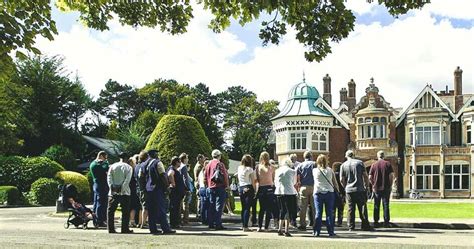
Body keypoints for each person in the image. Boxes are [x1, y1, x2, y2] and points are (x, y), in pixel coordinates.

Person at [340, 150, 373, 231]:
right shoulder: (359, 163)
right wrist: (367, 186)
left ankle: (351, 226)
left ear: (346, 156)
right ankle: (365, 225)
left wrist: (345, 187)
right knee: (362, 207)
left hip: (349, 189)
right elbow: (365, 175)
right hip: (360, 188)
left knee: (350, 209)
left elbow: (341, 179)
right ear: (353, 155)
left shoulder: (343, 165)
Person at [146, 150, 175, 234]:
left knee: (151, 210)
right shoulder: (158, 163)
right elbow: (162, 175)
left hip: (149, 189)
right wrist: (167, 186)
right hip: (157, 189)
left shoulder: (146, 164)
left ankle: (152, 228)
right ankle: (165, 228)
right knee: (161, 209)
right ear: (155, 155)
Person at [107, 152, 134, 234]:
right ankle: (124, 228)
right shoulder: (128, 167)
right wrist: (122, 189)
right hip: (125, 192)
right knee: (125, 211)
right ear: (126, 158)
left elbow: (109, 177)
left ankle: (110, 229)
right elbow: (127, 180)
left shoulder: (112, 166)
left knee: (110, 211)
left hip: (112, 192)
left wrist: (111, 187)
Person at [312, 154, 339, 237]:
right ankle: (330, 231)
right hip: (329, 193)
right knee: (329, 213)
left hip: (318, 192)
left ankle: (317, 231)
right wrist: (338, 191)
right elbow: (334, 182)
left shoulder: (315, 171)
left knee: (318, 213)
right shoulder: (330, 170)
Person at [204, 149, 229, 230]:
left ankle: (211, 223)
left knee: (211, 205)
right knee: (219, 205)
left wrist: (207, 185)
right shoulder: (220, 164)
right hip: (219, 186)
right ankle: (218, 223)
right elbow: (224, 175)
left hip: (210, 187)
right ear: (219, 156)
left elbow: (205, 176)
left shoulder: (208, 164)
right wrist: (227, 185)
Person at [369, 150, 394, 228]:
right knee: (386, 205)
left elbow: (370, 177)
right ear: (384, 156)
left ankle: (376, 221)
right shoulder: (388, 164)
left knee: (376, 205)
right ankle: (386, 222)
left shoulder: (374, 165)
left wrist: (373, 184)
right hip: (386, 187)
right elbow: (391, 176)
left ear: (377, 156)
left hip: (376, 188)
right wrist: (390, 185)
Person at [274, 159, 297, 237]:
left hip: (279, 191)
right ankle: (286, 230)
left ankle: (280, 228)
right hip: (289, 192)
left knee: (282, 210)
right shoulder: (292, 171)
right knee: (288, 211)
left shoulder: (277, 171)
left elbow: (275, 182)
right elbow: (294, 182)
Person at [256, 152, 277, 232]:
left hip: (261, 188)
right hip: (270, 188)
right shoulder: (272, 167)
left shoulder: (258, 167)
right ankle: (266, 227)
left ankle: (259, 226)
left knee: (262, 208)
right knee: (268, 208)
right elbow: (273, 178)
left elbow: (257, 179)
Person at [296, 151, 315, 231]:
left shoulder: (300, 165)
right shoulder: (314, 164)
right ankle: (315, 223)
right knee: (314, 207)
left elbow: (297, 176)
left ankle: (302, 224)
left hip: (303, 187)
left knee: (303, 207)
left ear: (304, 157)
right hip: (313, 186)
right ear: (311, 156)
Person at [237, 154, 257, 232]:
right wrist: (255, 190)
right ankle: (246, 226)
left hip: (241, 187)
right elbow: (253, 181)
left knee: (243, 207)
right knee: (247, 208)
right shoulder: (250, 169)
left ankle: (243, 224)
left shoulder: (239, 168)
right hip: (248, 187)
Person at [90, 151, 109, 227]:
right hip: (100, 184)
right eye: (105, 158)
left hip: (96, 184)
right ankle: (99, 220)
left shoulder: (93, 163)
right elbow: (106, 168)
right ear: (101, 156)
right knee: (101, 203)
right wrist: (106, 163)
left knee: (96, 202)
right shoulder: (97, 164)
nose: (105, 160)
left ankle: (95, 219)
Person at [168, 156, 186, 229]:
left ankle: (175, 222)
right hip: (175, 192)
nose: (180, 163)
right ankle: (174, 223)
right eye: (179, 161)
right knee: (174, 207)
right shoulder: (172, 169)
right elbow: (170, 174)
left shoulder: (174, 169)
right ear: (176, 162)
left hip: (177, 192)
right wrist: (173, 183)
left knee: (175, 207)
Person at [135, 151, 150, 229]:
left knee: (141, 206)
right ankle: (143, 223)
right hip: (144, 188)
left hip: (138, 188)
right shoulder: (144, 166)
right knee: (145, 206)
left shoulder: (137, 166)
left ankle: (140, 222)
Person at [128, 155, 141, 228]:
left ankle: (131, 220)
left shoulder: (128, 170)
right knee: (134, 206)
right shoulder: (134, 170)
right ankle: (133, 221)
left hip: (128, 189)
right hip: (133, 189)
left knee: (130, 206)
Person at [178, 153, 191, 225]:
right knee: (186, 204)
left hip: (178, 188)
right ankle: (185, 220)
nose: (188, 160)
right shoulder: (184, 167)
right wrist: (188, 188)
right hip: (184, 188)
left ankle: (179, 219)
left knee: (179, 204)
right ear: (184, 159)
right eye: (187, 158)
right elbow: (185, 178)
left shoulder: (178, 166)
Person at [332, 162, 345, 227]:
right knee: (340, 208)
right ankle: (339, 222)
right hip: (341, 193)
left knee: (333, 208)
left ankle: (333, 221)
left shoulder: (332, 174)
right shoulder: (342, 174)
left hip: (333, 192)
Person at [197, 159, 210, 225]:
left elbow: (198, 181)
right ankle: (206, 219)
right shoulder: (206, 172)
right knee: (206, 205)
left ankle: (203, 219)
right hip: (205, 188)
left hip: (201, 188)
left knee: (203, 205)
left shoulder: (201, 172)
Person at [194, 154, 206, 220]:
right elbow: (197, 177)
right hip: (199, 185)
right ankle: (199, 214)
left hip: (198, 184)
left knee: (200, 199)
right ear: (200, 159)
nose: (204, 160)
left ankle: (199, 213)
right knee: (200, 200)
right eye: (203, 158)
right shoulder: (199, 167)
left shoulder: (199, 165)